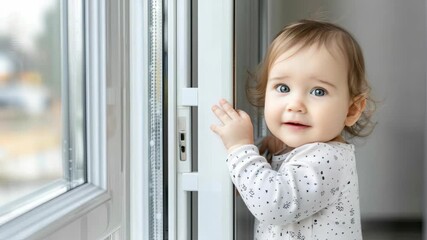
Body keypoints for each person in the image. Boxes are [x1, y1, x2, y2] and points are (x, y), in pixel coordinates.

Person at [210, 19, 375, 240]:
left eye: (318, 91)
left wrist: (240, 148)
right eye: (283, 88)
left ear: (351, 110)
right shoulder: (311, 152)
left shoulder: (326, 160)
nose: (295, 104)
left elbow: (272, 205)